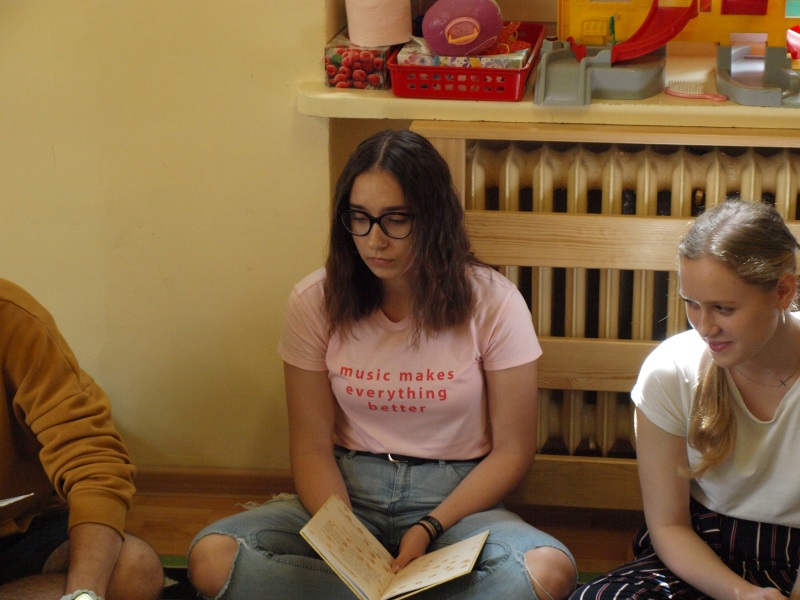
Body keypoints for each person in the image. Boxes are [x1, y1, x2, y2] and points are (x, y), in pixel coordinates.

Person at [187, 128, 577, 600]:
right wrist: (349, 541)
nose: (375, 240)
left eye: (396, 220)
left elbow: (513, 450)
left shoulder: (494, 301)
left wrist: (430, 527)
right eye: (360, 219)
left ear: (434, 219)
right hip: (346, 492)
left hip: (457, 500)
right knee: (214, 557)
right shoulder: (314, 299)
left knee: (545, 571)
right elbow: (311, 447)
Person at [571, 199, 800, 600]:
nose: (704, 326)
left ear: (783, 291)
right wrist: (741, 594)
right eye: (691, 304)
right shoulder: (671, 371)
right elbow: (669, 525)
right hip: (703, 552)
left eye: (723, 308)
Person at [0, 278, 164, 600]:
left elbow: (93, 458)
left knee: (134, 571)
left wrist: (83, 594)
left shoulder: (11, 318)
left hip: (21, 527)